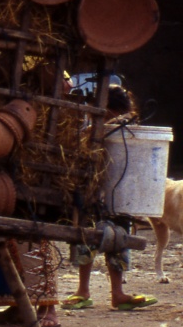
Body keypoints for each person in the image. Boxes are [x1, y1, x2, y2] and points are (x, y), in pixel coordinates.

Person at [64, 87, 158, 311]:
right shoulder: (92, 131)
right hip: (94, 191)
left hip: (121, 193)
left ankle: (117, 293)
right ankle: (83, 290)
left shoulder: (130, 131)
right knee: (88, 237)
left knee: (119, 239)